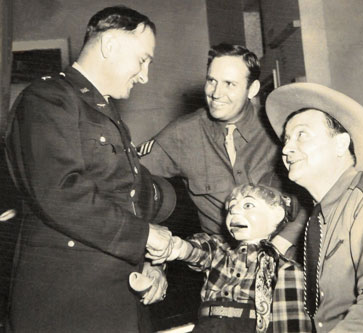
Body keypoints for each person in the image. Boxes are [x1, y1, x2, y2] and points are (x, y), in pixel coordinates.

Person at [4, 6, 176, 332]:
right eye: (143, 59)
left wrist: (152, 264)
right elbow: (59, 190)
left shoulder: (102, 112)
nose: (145, 75)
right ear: (110, 46)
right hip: (67, 305)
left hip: (115, 299)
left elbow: (124, 196)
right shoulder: (47, 98)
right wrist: (143, 235)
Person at [265, 82, 363, 332]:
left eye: (302, 134)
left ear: (341, 144)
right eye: (286, 140)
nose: (286, 149)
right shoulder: (320, 219)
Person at [138, 42, 308, 256]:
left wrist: (283, 242)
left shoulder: (279, 127)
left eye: (229, 84)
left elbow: (314, 193)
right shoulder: (181, 134)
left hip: (290, 256)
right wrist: (147, 242)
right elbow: (127, 182)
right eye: (212, 81)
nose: (216, 93)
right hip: (223, 268)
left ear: (252, 89)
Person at [132, 184, 311, 333]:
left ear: (276, 214)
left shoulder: (286, 269)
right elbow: (201, 250)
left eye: (248, 205)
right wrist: (179, 248)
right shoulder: (220, 251)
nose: (235, 213)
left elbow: (291, 325)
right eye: (231, 208)